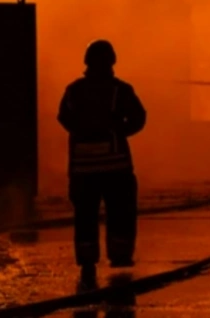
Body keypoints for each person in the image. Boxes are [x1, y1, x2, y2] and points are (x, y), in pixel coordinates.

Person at [58, 40, 147, 285]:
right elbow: (139, 117)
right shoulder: (121, 90)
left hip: (82, 170)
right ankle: (119, 258)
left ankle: (87, 261)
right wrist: (119, 132)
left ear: (87, 62)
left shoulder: (73, 90)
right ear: (111, 62)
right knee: (121, 211)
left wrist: (82, 131)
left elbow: (63, 118)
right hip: (116, 168)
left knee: (85, 215)